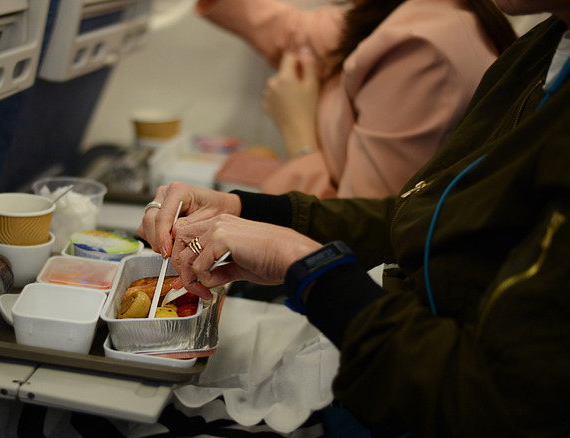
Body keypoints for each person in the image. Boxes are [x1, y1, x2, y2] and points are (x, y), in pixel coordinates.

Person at [139, 2, 570, 435]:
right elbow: (415, 216)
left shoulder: (422, 42)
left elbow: (490, 404)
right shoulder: (547, 44)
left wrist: (301, 259)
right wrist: (246, 209)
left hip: (412, 383)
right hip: (391, 340)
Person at [203, 0, 516, 198]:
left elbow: (358, 227)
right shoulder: (387, 10)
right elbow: (298, 33)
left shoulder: (419, 50)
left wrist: (299, 135)